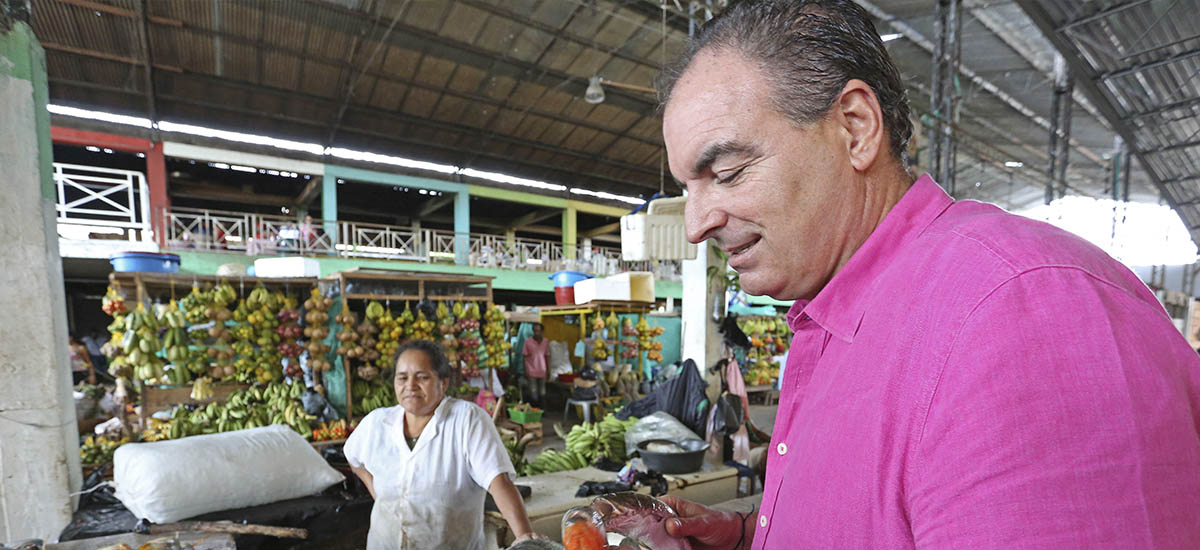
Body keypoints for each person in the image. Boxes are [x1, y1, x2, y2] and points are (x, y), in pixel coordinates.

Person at [658, 1, 1200, 549]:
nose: (697, 225)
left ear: (855, 127)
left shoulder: (1020, 312)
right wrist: (752, 536)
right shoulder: (837, 314)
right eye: (689, 189)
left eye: (727, 173)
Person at [344, 339, 541, 548]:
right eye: (402, 378)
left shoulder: (467, 419)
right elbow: (353, 457)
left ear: (443, 382)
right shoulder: (377, 423)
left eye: (422, 377)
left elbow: (498, 480)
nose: (410, 386)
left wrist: (524, 538)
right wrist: (378, 493)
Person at [522, 322, 550, 407]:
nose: (537, 333)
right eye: (535, 331)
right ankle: (535, 410)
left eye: (539, 331)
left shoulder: (545, 342)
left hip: (542, 370)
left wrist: (548, 370)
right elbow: (524, 357)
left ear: (542, 332)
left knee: (543, 392)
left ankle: (543, 410)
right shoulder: (528, 342)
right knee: (533, 392)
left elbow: (547, 356)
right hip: (531, 371)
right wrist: (525, 371)